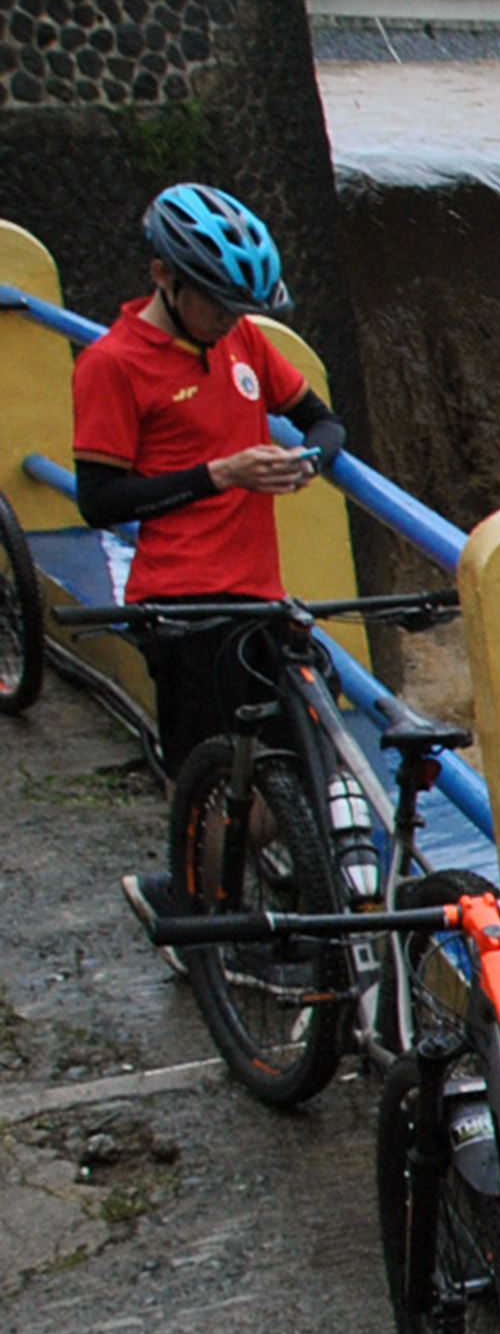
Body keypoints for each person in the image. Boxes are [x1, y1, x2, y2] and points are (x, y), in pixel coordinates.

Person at [71, 183, 349, 884]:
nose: (230, 322)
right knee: (210, 786)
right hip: (182, 606)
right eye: (218, 305)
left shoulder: (244, 340)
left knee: (297, 769)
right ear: (164, 275)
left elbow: (322, 417)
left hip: (260, 597)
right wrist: (219, 474)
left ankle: (228, 899)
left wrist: (310, 459)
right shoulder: (113, 364)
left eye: (239, 309)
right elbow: (100, 501)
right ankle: (198, 919)